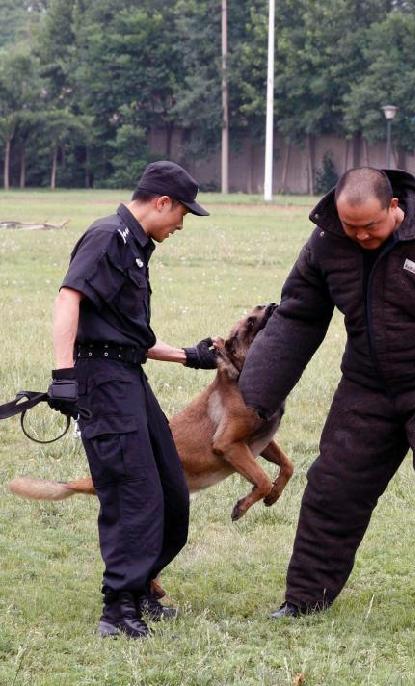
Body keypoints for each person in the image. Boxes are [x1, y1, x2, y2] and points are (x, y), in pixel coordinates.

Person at [239, 167, 415, 632]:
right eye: (350, 227)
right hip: (365, 387)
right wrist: (261, 389)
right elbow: (298, 314)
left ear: (395, 208)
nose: (359, 236)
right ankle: (303, 601)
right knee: (332, 491)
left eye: (370, 226)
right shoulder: (327, 244)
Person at [47, 161, 219, 638]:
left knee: (169, 490)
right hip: (101, 379)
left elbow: (127, 335)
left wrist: (188, 356)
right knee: (132, 492)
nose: (181, 225)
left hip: (127, 373)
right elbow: (69, 299)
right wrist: (63, 375)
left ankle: (140, 588)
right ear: (162, 202)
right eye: (182, 213)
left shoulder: (135, 248)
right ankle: (118, 610)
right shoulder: (107, 237)